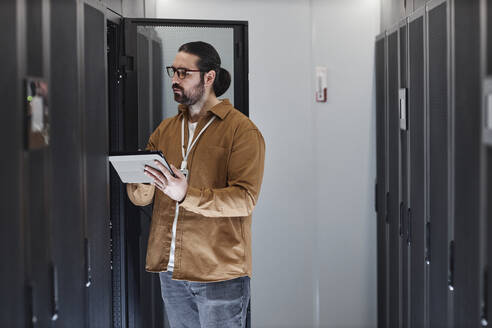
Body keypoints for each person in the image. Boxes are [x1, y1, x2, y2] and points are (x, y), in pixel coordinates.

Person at [126, 41, 265, 328]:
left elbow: (245, 199)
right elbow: (142, 199)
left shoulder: (242, 131)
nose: (175, 80)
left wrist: (187, 194)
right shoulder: (165, 130)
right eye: (173, 72)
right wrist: (138, 180)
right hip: (171, 271)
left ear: (209, 77)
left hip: (219, 274)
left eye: (183, 73)